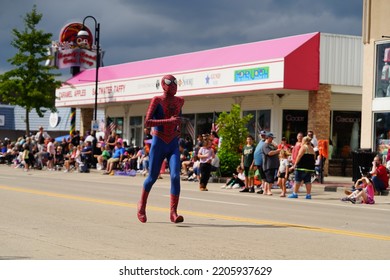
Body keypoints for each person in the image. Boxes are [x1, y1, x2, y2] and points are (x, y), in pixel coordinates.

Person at [137, 74, 185, 223]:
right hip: (159, 142)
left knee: (176, 176)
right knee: (152, 177)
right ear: (163, 85)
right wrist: (168, 121)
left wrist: (178, 128)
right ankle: (141, 207)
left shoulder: (180, 101)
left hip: (172, 143)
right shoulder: (157, 100)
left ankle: (173, 213)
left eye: (175, 82)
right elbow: (147, 122)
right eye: (170, 82)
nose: (173, 85)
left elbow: (179, 117)